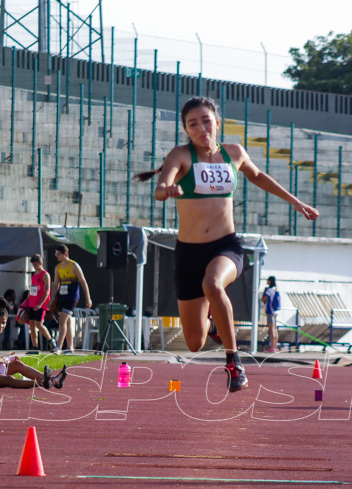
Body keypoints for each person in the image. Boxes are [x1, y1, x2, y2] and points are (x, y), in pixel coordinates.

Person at [137, 96, 319, 391]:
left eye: (206, 120)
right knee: (195, 343)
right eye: (192, 124)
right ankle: (213, 318)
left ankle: (234, 363)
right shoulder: (180, 155)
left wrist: (296, 203)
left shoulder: (234, 153)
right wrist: (166, 190)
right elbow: (161, 186)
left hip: (226, 246)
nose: (201, 128)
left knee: (213, 284)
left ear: (217, 123)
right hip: (189, 254)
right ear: (186, 129)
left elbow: (259, 176)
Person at [0, 297, 68, 389]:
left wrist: (6, 357)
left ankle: (52, 380)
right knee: (8, 379)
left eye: (3, 323)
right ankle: (42, 382)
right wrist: (0, 360)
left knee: (17, 364)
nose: (1, 326)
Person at [50, 244, 92, 354]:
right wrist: (52, 298)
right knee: (67, 322)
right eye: (56, 254)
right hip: (62, 297)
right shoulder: (57, 268)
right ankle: (70, 347)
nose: (57, 256)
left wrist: (88, 297)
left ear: (65, 254)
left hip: (72, 297)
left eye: (59, 254)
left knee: (62, 320)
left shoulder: (73, 265)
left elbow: (83, 281)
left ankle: (58, 347)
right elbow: (55, 285)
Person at [23, 253, 57, 353]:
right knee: (32, 324)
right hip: (32, 303)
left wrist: (40, 304)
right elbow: (32, 288)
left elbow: (47, 291)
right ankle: (35, 347)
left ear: (41, 263)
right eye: (33, 265)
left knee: (39, 324)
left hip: (40, 304)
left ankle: (51, 341)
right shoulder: (34, 274)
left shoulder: (45, 275)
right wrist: (27, 300)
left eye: (36, 264)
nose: (34, 266)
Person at [261, 276, 281, 353]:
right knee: (275, 328)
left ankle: (272, 346)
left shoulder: (269, 290)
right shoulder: (276, 289)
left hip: (270, 311)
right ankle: (275, 346)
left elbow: (264, 299)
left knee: (271, 328)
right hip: (275, 311)